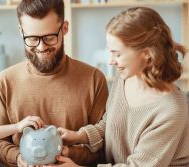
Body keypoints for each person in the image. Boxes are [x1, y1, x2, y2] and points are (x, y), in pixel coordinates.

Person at [49, 6, 189, 167]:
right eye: (110, 52)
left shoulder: (170, 111)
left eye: (117, 54)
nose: (110, 61)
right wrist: (79, 136)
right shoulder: (124, 79)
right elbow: (110, 124)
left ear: (147, 53)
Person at [0, 0, 108, 166]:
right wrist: (19, 158)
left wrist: (69, 153)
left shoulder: (94, 79)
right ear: (21, 31)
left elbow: (104, 143)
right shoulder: (4, 81)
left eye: (49, 37)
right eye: (32, 38)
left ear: (65, 28)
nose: (41, 47)